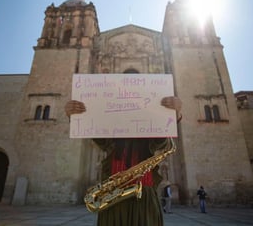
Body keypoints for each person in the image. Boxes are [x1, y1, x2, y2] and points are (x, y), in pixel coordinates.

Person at [65, 96, 182, 226]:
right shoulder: (111, 133)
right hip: (112, 197)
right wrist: (76, 117)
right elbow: (95, 134)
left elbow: (161, 142)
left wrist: (173, 114)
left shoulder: (150, 130)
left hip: (144, 197)